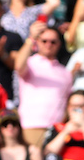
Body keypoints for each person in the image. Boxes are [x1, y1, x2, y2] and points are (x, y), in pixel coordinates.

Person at [15, 20, 71, 148]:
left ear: (59, 44)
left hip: (56, 129)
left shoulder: (65, 72)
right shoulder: (30, 63)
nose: (48, 45)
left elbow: (67, 102)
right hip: (30, 126)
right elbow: (18, 65)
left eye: (53, 42)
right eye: (44, 41)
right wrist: (31, 38)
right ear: (37, 42)